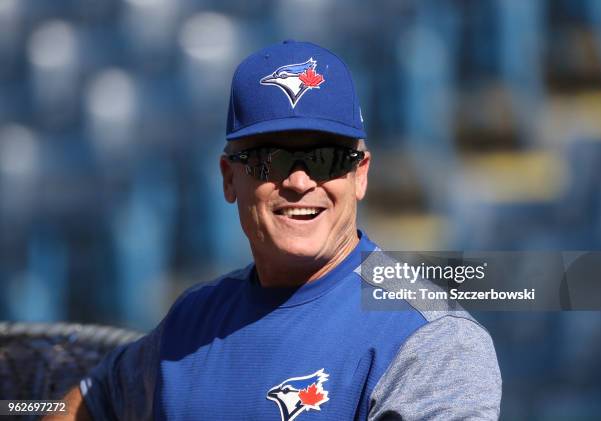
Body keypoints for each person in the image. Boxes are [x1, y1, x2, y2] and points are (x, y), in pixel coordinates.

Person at [49, 40, 501, 421]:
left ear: (360, 174)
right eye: (271, 159)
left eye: (326, 158)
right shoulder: (191, 320)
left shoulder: (429, 340)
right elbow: (90, 401)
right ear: (229, 178)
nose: (300, 182)